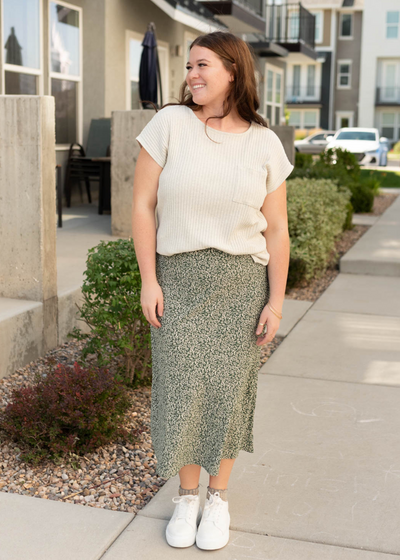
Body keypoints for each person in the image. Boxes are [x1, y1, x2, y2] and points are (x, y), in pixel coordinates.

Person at [132, 31, 293, 551]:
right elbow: (142, 206)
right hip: (178, 279)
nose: (191, 75)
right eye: (187, 67)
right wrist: (149, 280)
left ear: (232, 69)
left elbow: (277, 230)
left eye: (202, 65)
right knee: (180, 390)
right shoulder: (169, 124)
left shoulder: (265, 142)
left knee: (227, 393)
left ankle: (217, 500)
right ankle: (185, 498)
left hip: (241, 283)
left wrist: (275, 300)